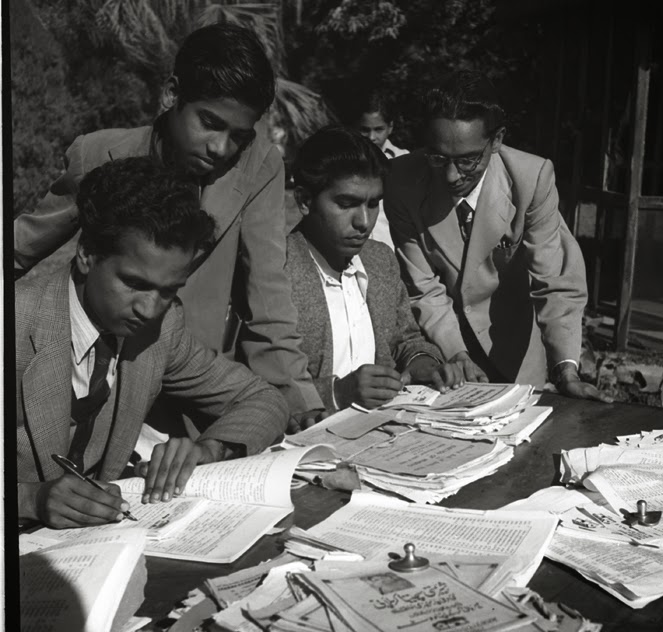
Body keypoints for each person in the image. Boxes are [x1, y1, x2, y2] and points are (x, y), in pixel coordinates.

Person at [14, 23, 325, 431]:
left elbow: (268, 296)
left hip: (194, 389)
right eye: (210, 123)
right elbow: (20, 248)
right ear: (171, 94)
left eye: (239, 136)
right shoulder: (98, 154)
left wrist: (297, 401)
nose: (221, 148)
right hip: (96, 386)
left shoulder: (257, 166)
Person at [16, 157, 289, 529]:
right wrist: (30, 498)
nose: (149, 308)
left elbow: (264, 399)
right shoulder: (13, 323)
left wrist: (210, 449)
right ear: (86, 255)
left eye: (168, 291)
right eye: (134, 283)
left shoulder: (163, 327)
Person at [384, 71, 611, 401]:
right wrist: (456, 355)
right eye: (438, 157)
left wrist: (565, 370)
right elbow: (423, 289)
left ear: (497, 139)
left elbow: (554, 281)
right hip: (441, 348)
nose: (451, 175)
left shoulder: (532, 178)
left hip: (515, 346)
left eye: (467, 161)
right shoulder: (401, 182)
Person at [285, 126, 462, 412]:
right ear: (305, 200)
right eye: (346, 204)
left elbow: (405, 339)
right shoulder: (276, 274)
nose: (364, 222)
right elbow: (258, 384)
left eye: (373, 204)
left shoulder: (380, 261)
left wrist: (424, 366)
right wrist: (335, 393)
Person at [351, 89, 409, 250]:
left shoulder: (404, 161)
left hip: (392, 250)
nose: (371, 137)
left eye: (378, 129)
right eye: (364, 130)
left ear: (390, 127)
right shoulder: (344, 162)